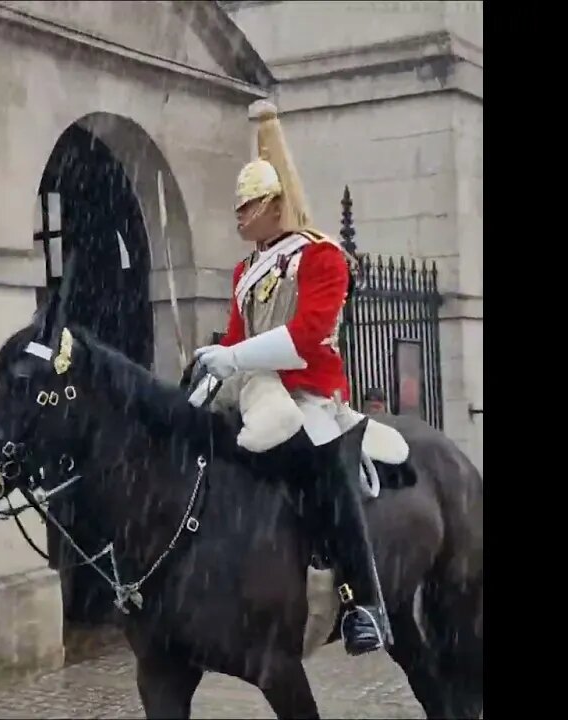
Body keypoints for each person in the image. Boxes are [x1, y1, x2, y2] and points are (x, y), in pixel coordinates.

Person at [191, 101, 390, 656]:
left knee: (326, 467)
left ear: (275, 203)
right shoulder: (244, 270)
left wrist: (235, 359)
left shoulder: (323, 257)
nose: (239, 216)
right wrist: (215, 364)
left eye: (248, 205)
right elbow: (235, 338)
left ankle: (361, 602)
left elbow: (306, 337)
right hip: (255, 389)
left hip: (311, 393)